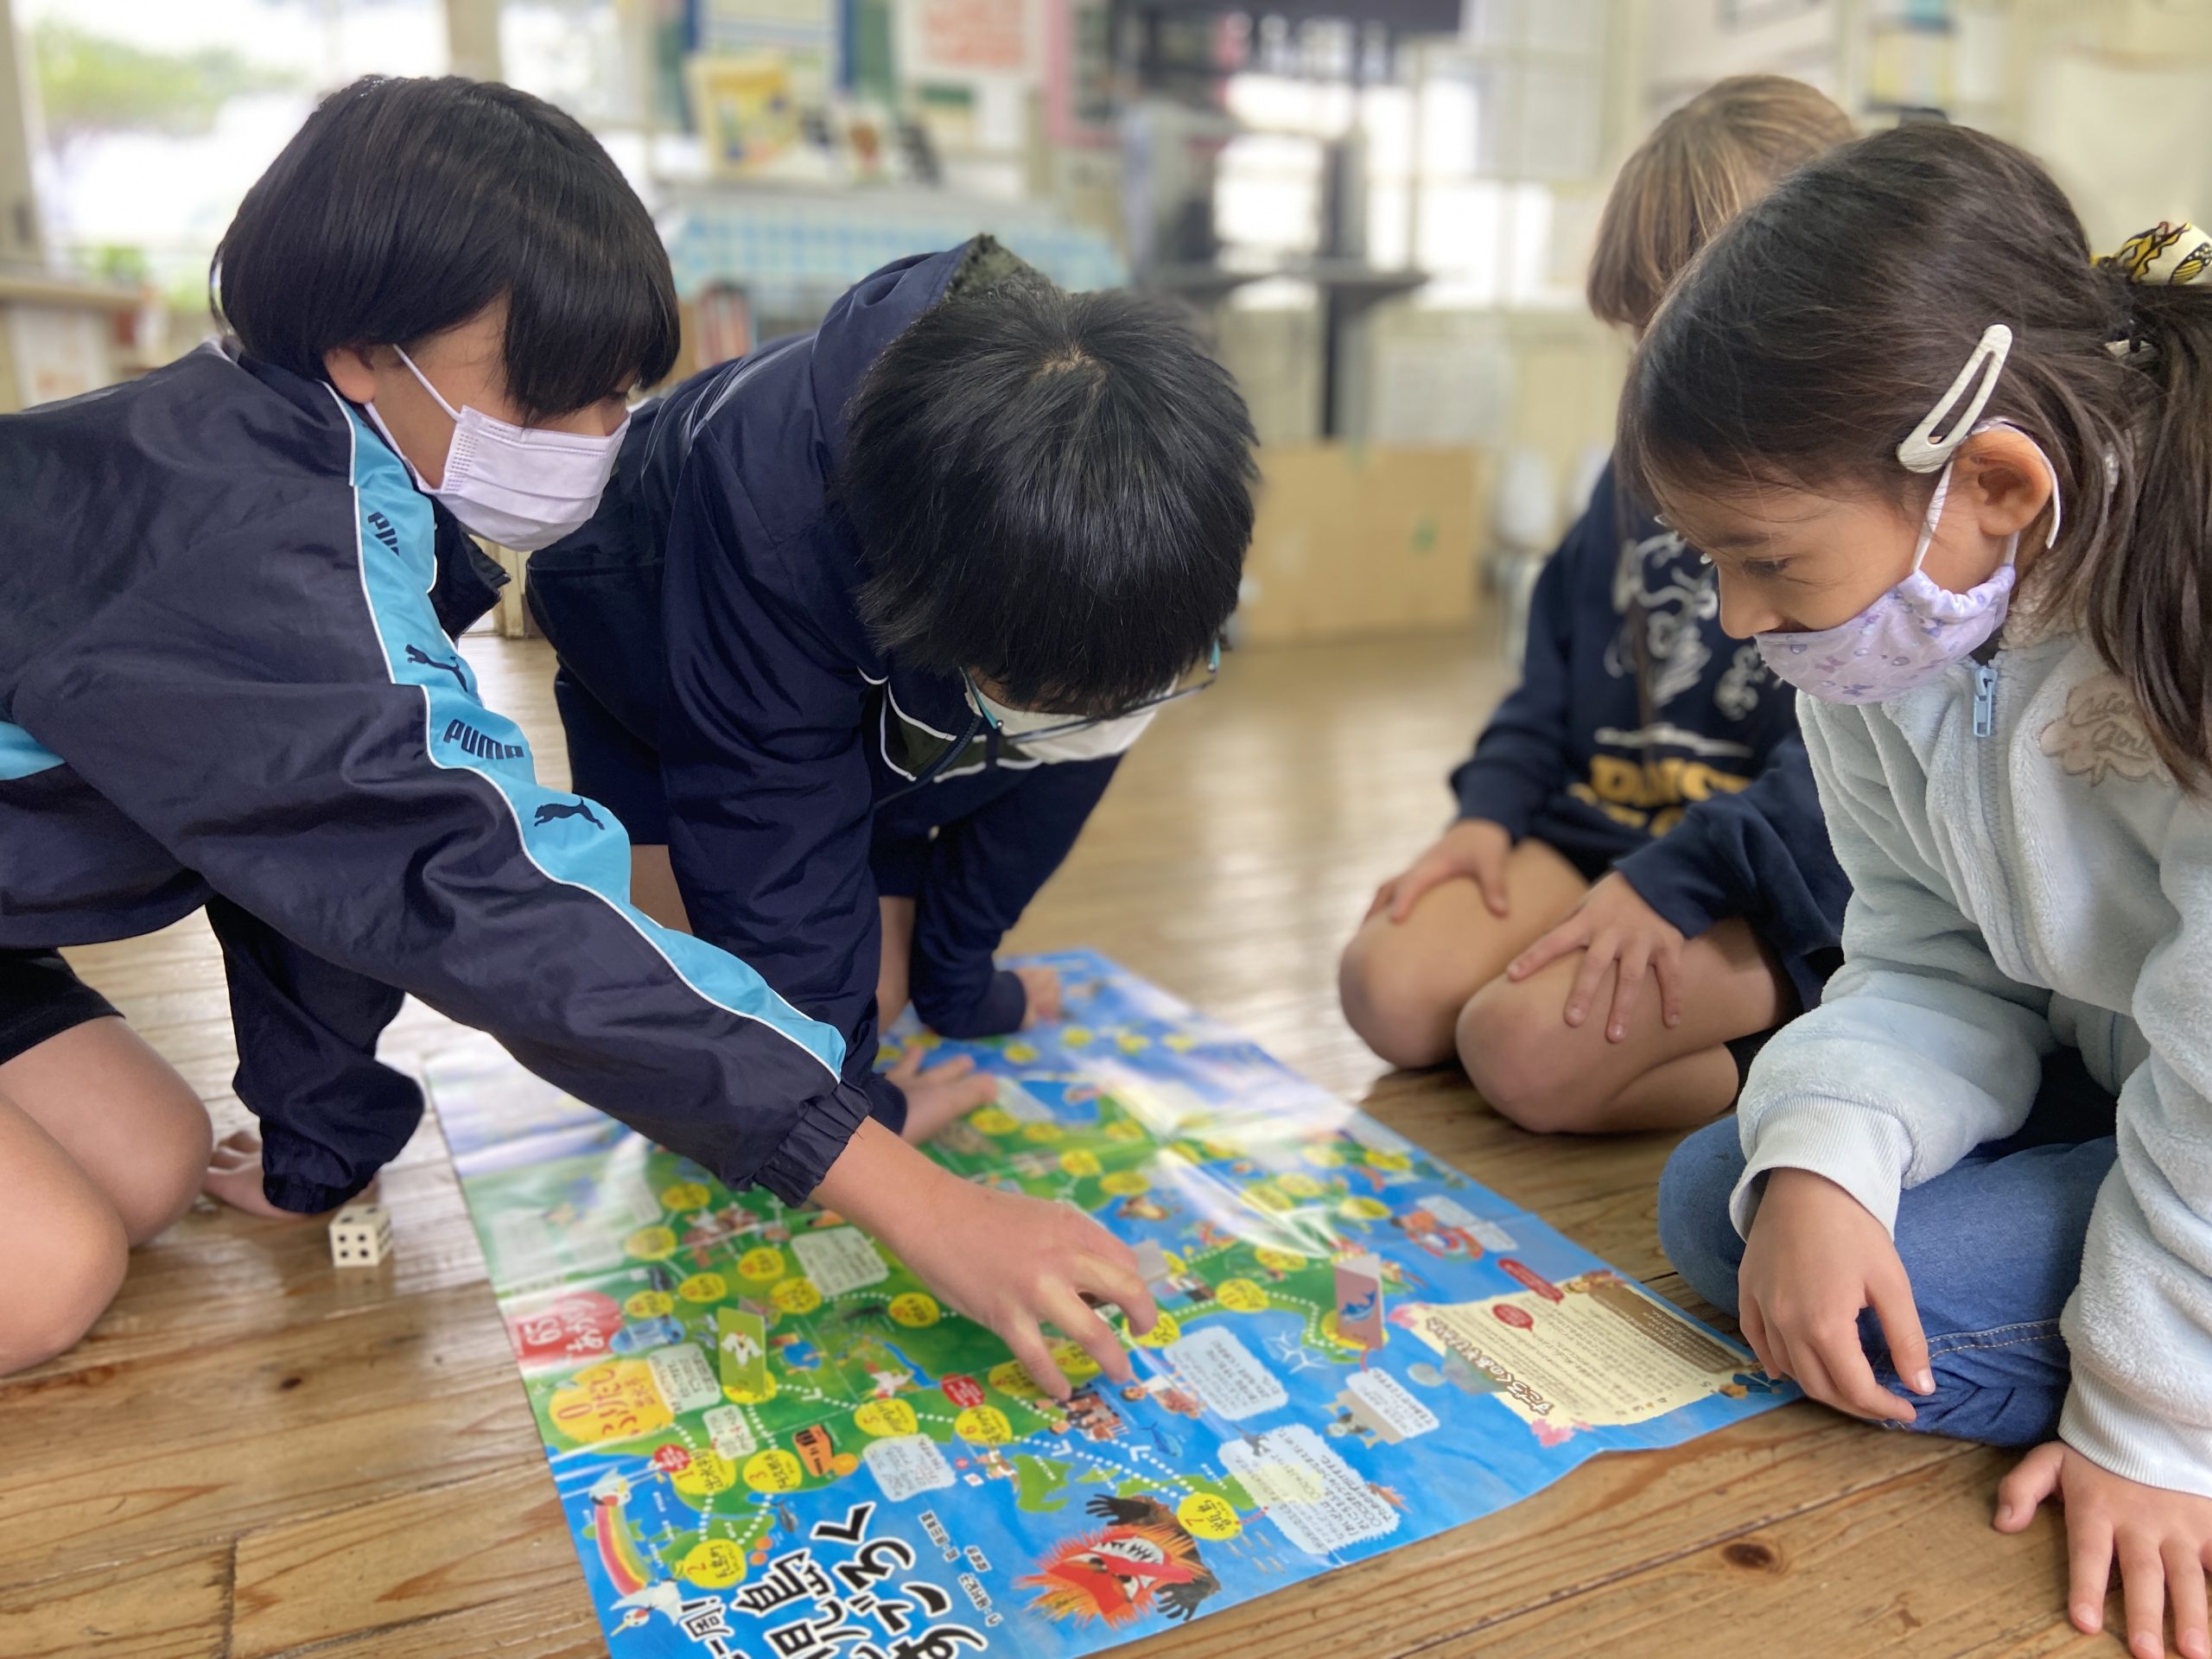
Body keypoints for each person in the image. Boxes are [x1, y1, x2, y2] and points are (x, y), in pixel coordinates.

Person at [0, 75, 1154, 1395]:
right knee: (52, 1276)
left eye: (618, 394)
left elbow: (310, 866)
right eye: (552, 399)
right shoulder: (254, 559)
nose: (605, 441)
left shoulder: (324, 468)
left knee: (150, 1169)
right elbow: (488, 894)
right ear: (365, 350)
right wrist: (909, 1193)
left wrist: (323, 1145)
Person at [1634, 122, 2212, 1659]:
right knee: (1738, 1200)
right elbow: (1923, 954)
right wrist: (1830, 1157)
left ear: (1996, 484)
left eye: (1767, 561)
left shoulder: (2180, 618)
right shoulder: (1882, 636)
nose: (1738, 616)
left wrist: (2153, 1423)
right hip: (2138, 1079)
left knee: (1881, 1293)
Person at [525, 240, 1255, 1142]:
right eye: (1048, 700)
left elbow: (1032, 815)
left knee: (876, 995)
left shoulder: (1132, 527)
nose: (1085, 722)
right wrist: (855, 1119)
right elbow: (765, 830)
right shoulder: (774, 510)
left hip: (863, 698)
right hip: (642, 649)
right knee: (701, 1044)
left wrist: (964, 988)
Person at [1338, 76, 1854, 1135]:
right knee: (1387, 989)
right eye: (1642, 339)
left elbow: (1839, 797)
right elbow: (1544, 689)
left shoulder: (1853, 512)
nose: (1660, 377)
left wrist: (1673, 883)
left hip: (1762, 886)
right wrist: (1485, 816)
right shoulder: (1627, 477)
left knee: (1518, 1051)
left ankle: (1806, 1054)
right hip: (1605, 834)